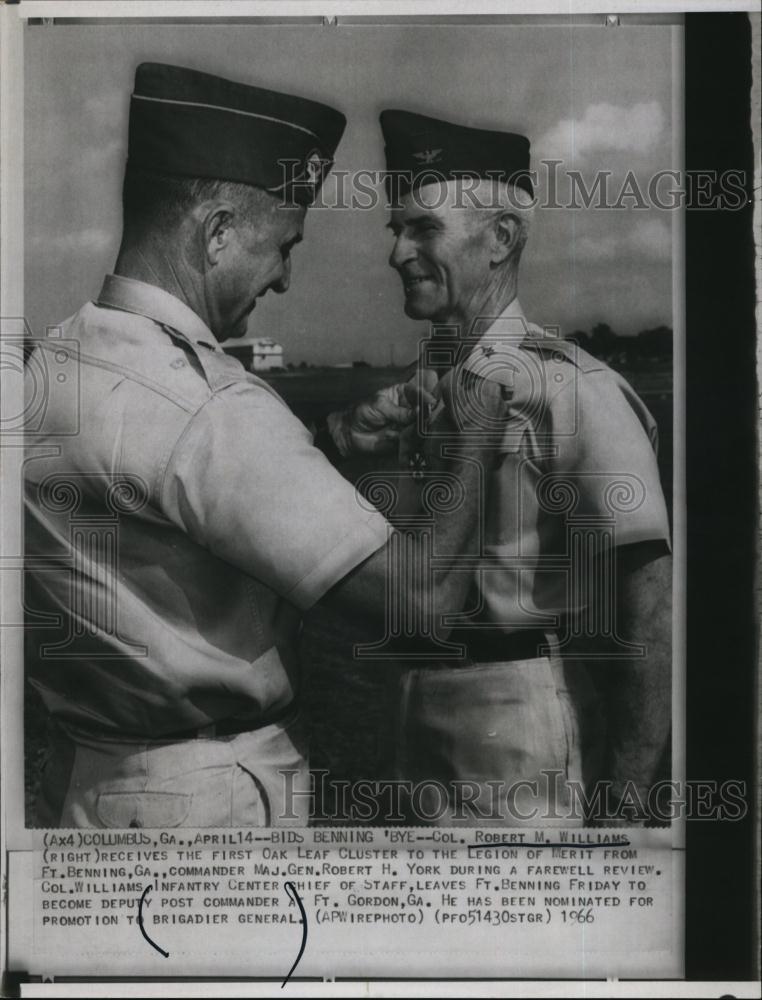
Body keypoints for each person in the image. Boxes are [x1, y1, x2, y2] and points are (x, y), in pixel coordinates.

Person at [23, 66, 510, 829]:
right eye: (283, 246)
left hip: (87, 781)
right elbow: (419, 606)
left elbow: (168, 497)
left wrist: (334, 442)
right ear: (217, 232)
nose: (283, 279)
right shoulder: (210, 405)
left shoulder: (57, 360)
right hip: (202, 800)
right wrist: (476, 440)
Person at [372, 109, 672, 825]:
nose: (397, 253)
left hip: (521, 704)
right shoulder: (436, 385)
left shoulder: (571, 387)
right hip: (420, 695)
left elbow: (650, 609)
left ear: (501, 238)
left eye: (423, 228)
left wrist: (625, 805)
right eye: (396, 229)